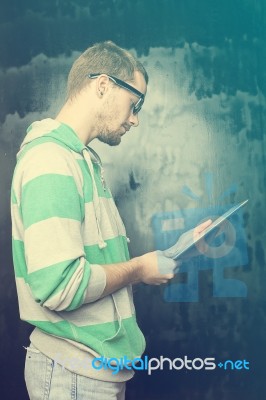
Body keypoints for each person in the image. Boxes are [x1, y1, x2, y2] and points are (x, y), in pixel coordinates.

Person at [11, 41, 210, 400]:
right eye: (135, 104)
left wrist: (173, 254)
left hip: (89, 375)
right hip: (72, 375)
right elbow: (60, 287)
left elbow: (99, 267)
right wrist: (138, 269)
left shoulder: (82, 161)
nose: (135, 118)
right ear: (103, 85)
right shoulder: (51, 161)